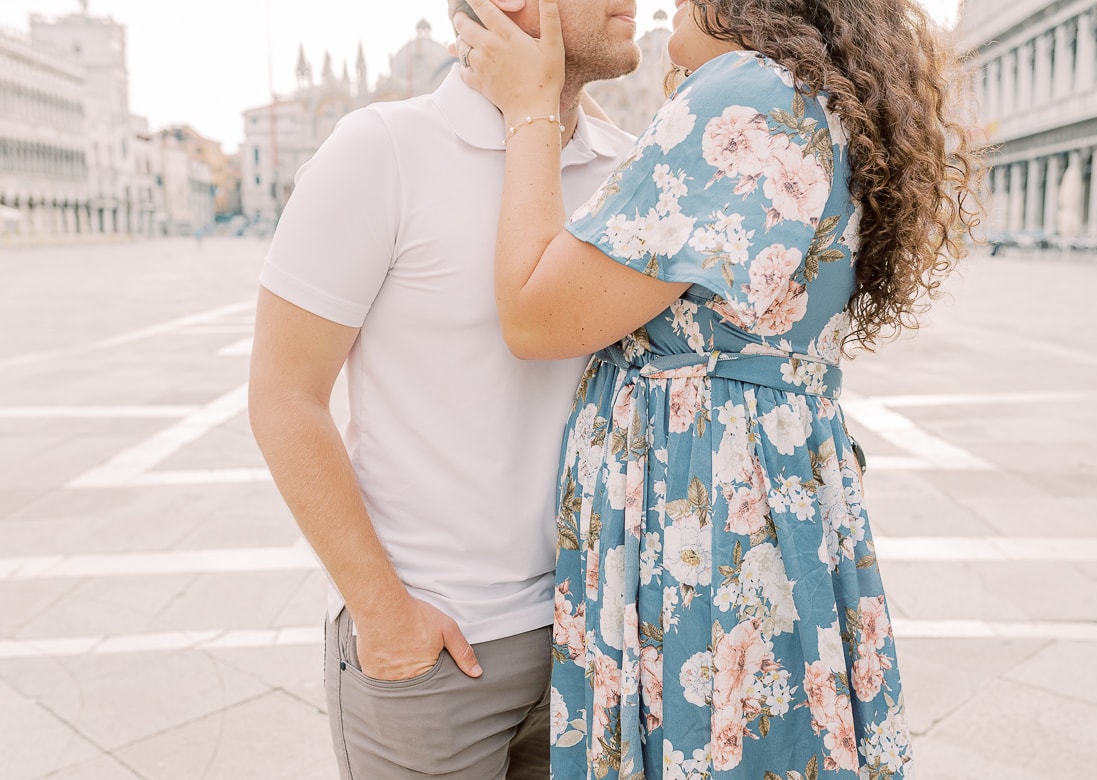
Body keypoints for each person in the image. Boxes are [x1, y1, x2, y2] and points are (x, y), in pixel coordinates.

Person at [454, 0, 982, 776]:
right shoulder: (805, 97)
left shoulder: (742, 93)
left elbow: (537, 318)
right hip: (765, 488)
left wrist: (531, 109)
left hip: (703, 507)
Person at [246, 2, 644, 777]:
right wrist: (381, 612)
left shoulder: (631, 171)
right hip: (435, 657)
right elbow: (283, 394)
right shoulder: (382, 150)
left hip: (594, 643)